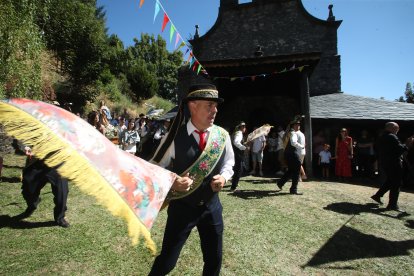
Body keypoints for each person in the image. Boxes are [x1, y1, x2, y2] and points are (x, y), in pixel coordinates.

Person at [149, 83, 234, 276]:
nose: (215, 110)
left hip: (212, 207)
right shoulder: (173, 137)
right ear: (193, 106)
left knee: (214, 259)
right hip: (182, 208)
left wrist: (224, 176)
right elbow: (154, 168)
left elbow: (230, 163)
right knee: (167, 261)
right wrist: (173, 180)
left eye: (216, 106)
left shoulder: (222, 136)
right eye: (209, 105)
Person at [15, 146, 70, 227]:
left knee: (61, 194)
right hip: (37, 163)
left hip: (57, 165)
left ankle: (60, 217)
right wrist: (28, 147)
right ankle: (33, 204)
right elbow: (29, 138)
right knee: (28, 191)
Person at [370, 122, 413, 212]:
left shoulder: (382, 137)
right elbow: (400, 149)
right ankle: (392, 205)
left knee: (390, 180)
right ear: (391, 128)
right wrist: (408, 144)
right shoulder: (392, 137)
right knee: (396, 183)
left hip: (385, 162)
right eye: (397, 128)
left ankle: (377, 195)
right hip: (393, 163)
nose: (398, 130)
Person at [276, 117, 304, 195]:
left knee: (291, 170)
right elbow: (293, 143)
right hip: (292, 154)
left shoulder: (288, 132)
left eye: (299, 125)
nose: (298, 126)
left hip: (288, 154)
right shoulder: (293, 133)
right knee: (296, 170)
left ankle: (280, 183)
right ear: (293, 126)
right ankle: (293, 190)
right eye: (296, 125)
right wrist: (301, 146)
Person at [230, 121, 248, 192]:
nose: (244, 128)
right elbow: (236, 142)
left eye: (244, 126)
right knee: (239, 170)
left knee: (238, 169)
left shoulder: (237, 132)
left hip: (236, 153)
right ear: (241, 127)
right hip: (238, 154)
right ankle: (233, 187)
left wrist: (244, 144)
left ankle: (234, 183)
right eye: (243, 126)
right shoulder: (239, 133)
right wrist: (244, 148)